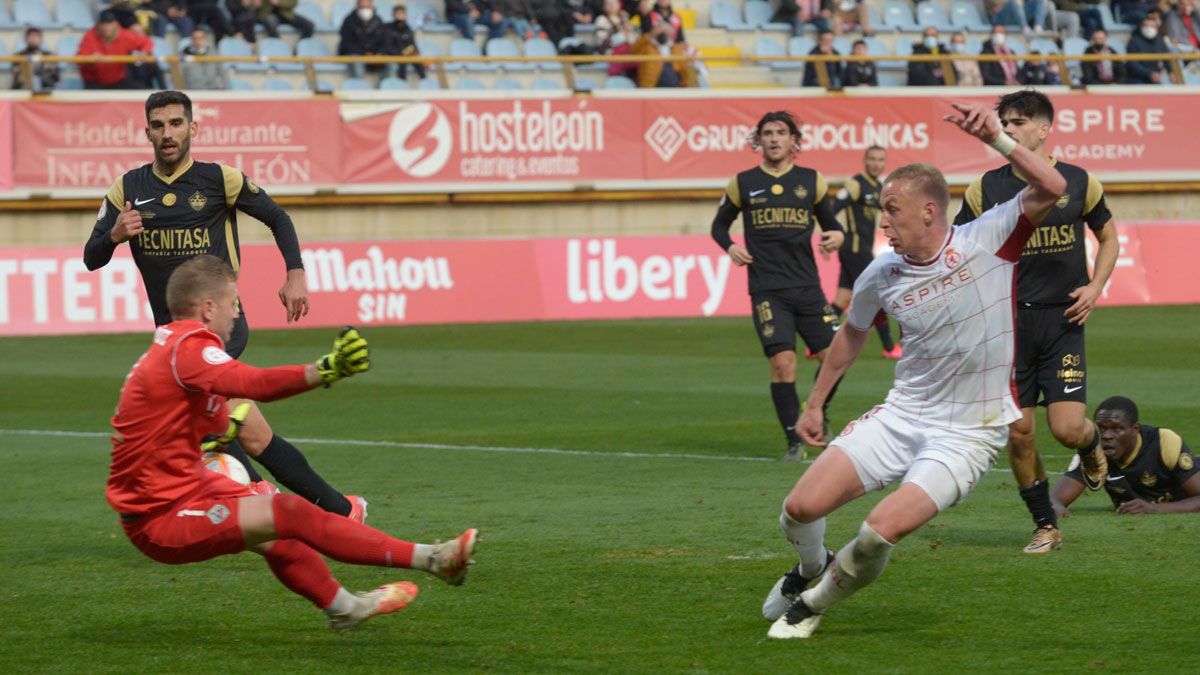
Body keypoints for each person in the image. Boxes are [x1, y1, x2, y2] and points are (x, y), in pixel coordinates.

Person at [762, 100, 1069, 640]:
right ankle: (810, 567)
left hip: (968, 434)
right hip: (904, 415)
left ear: (929, 211)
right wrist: (815, 403)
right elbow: (854, 331)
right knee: (798, 508)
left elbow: (1052, 185)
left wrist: (997, 138)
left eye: (893, 209)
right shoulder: (882, 273)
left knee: (879, 532)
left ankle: (810, 604)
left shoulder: (987, 238)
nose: (884, 219)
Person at [108, 255, 479, 631]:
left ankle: (346, 607)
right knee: (288, 513)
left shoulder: (174, 346)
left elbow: (185, 422)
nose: (237, 314)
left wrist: (221, 429)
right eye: (232, 303)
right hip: (158, 516)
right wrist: (324, 371)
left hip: (188, 486)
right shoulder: (190, 348)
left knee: (279, 531)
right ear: (207, 309)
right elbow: (256, 385)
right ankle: (433, 559)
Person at [82, 91, 365, 523]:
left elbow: (278, 217)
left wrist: (295, 273)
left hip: (221, 327)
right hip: (173, 338)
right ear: (147, 133)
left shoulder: (220, 179)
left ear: (193, 128)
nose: (168, 134)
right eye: (158, 126)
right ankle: (341, 508)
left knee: (204, 418)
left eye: (176, 124)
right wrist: (115, 234)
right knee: (249, 430)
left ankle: (254, 493)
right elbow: (91, 257)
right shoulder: (128, 188)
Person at [952, 90, 1118, 553]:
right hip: (1006, 328)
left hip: (1062, 321)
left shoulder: (1079, 180)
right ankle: (1045, 524)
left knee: (1067, 429)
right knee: (1020, 433)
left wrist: (1095, 286)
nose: (1009, 128)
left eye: (1019, 122)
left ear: (1044, 129)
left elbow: (1108, 237)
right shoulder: (986, 187)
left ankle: (1089, 447)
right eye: (1004, 121)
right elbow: (959, 246)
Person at [710, 111, 846, 461]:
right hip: (768, 289)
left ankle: (817, 407)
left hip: (808, 287)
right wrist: (730, 247)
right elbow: (718, 227)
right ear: (759, 140)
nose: (773, 138)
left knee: (836, 356)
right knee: (783, 363)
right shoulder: (742, 183)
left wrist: (836, 236)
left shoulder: (811, 181)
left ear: (793, 141)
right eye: (767, 133)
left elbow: (831, 224)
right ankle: (793, 443)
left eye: (780, 133)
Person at [1051, 396, 1200, 515]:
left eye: (1117, 429)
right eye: (1101, 428)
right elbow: (1055, 499)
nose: (1107, 436)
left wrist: (1154, 509)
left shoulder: (1164, 442)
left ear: (1135, 429)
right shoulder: (1093, 451)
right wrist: (1055, 508)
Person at [831, 146, 898, 360]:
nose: (876, 163)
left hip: (859, 251)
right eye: (872, 159)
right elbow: (833, 209)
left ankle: (819, 342)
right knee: (877, 296)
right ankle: (889, 347)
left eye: (880, 160)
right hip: (854, 249)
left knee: (842, 298)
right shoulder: (855, 184)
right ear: (865, 160)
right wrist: (835, 233)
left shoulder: (878, 187)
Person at [78, 9, 156, 90]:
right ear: (98, 24)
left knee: (141, 91)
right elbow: (80, 58)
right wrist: (90, 60)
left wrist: (144, 52)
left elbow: (147, 41)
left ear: (116, 24)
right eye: (103, 23)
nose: (106, 27)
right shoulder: (90, 36)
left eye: (109, 23)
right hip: (94, 82)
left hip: (117, 81)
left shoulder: (124, 35)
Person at [339, 0, 390, 78]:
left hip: (374, 55)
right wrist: (364, 53)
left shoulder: (378, 20)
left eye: (367, 7)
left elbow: (384, 41)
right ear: (357, 6)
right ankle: (360, 87)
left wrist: (380, 53)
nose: (365, 10)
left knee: (391, 64)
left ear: (372, 5)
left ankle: (382, 88)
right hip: (357, 54)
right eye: (362, 7)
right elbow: (347, 44)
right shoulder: (349, 21)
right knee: (356, 62)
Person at [1125, 15, 1172, 83]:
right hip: (1138, 78)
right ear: (1141, 27)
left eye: (1152, 26)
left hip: (1156, 77)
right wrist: (1149, 74)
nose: (1149, 29)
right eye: (1146, 26)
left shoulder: (1160, 40)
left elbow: (1167, 59)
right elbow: (1132, 64)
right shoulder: (1134, 41)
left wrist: (1171, 72)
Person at [384, 4, 426, 80]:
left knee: (418, 62)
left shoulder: (408, 28)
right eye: (398, 14)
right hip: (394, 54)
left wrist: (416, 53)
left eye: (402, 13)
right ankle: (402, 84)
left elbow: (413, 44)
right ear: (394, 15)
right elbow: (388, 46)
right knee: (403, 62)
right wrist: (401, 52)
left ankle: (425, 82)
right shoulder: (388, 28)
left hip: (406, 54)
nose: (400, 16)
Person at [13, 27, 60, 91]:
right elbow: (17, 75)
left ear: (40, 39)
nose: (33, 39)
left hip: (45, 89)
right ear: (26, 39)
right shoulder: (19, 56)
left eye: (36, 36)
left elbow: (55, 77)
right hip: (23, 90)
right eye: (31, 36)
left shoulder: (49, 55)